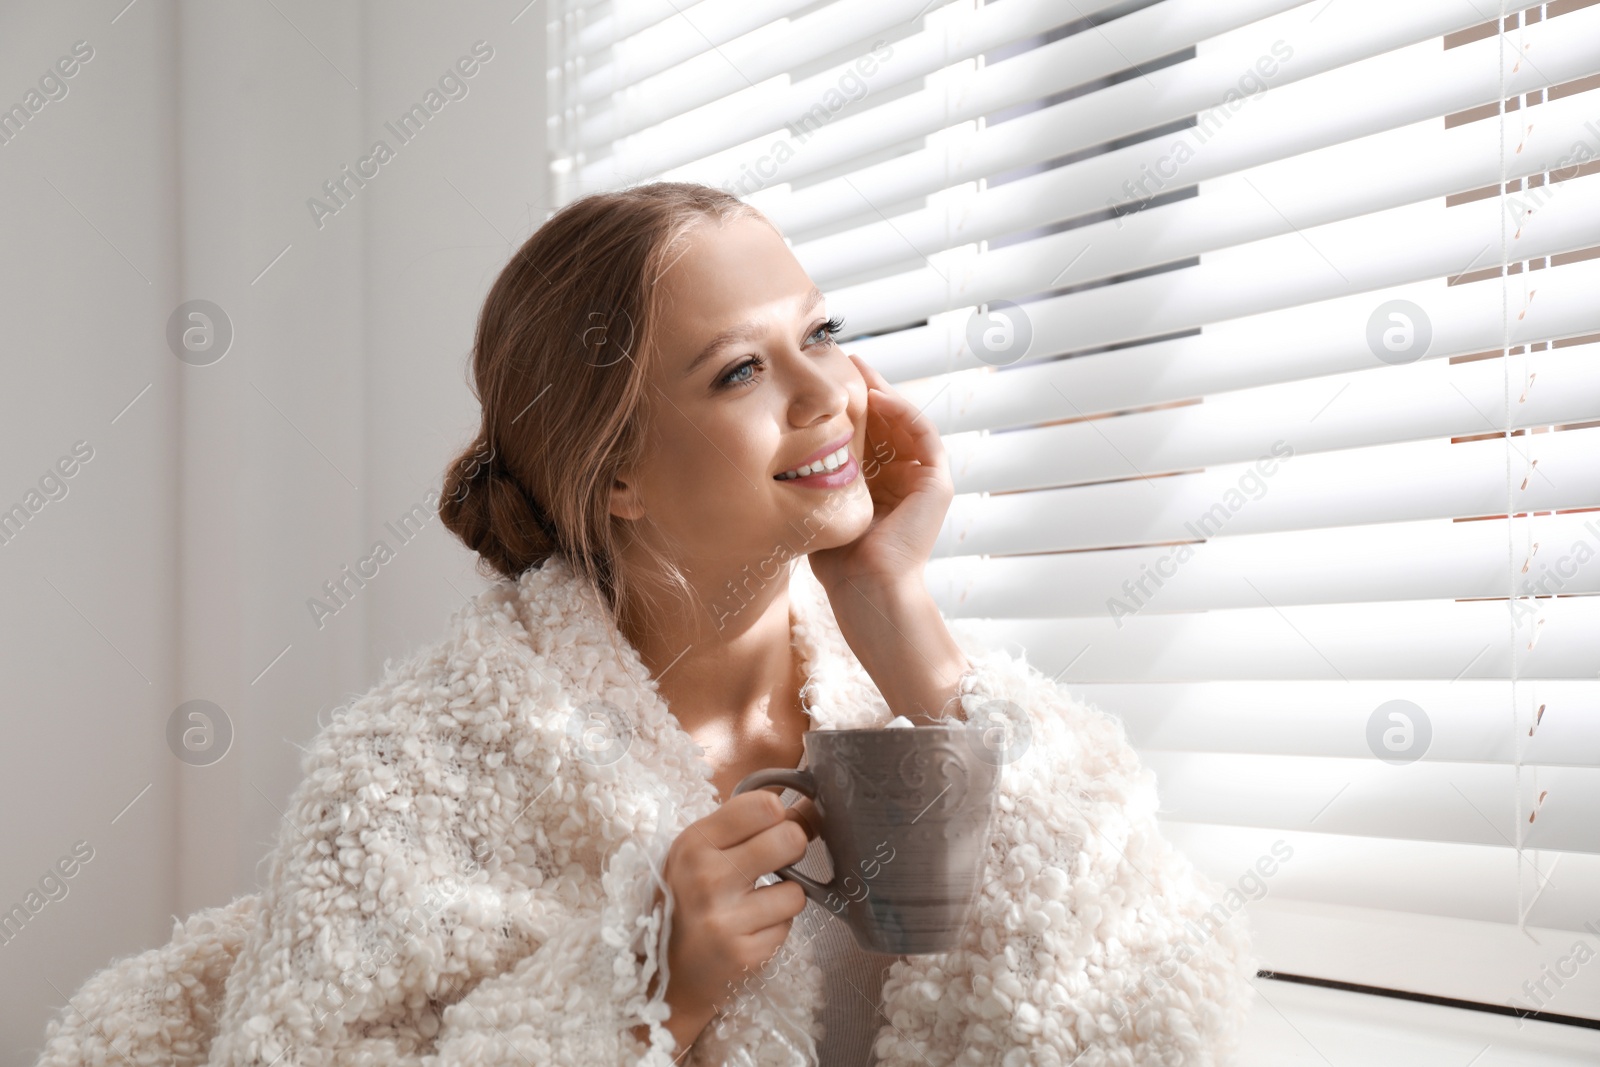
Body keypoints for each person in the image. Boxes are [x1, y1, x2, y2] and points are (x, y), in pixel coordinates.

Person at [32, 181, 1257, 1066]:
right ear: (613, 469)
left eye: (819, 333)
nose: (830, 390)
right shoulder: (405, 775)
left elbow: (1162, 1013)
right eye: (740, 370)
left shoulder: (907, 694)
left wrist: (909, 630)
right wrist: (641, 992)